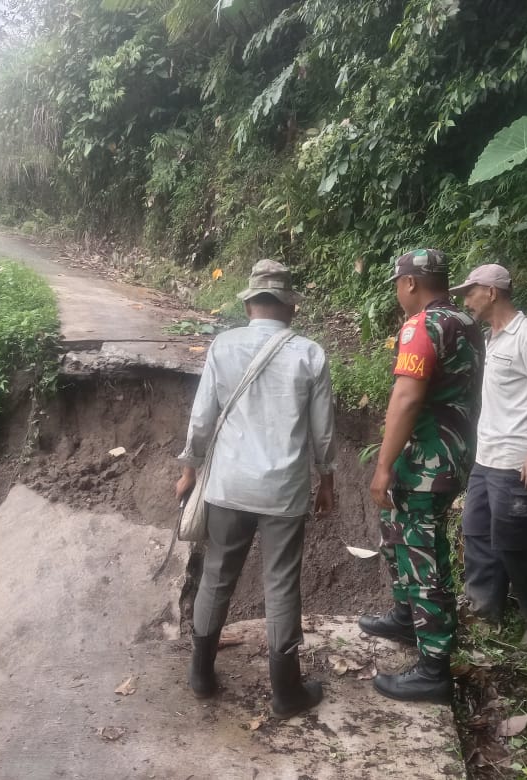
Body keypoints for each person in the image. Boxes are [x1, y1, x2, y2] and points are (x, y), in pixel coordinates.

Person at [175, 258, 336, 719]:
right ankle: (286, 692)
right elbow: (322, 431)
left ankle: (201, 675)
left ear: (249, 303)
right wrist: (327, 479)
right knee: (281, 584)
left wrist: (189, 469)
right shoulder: (310, 354)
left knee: (218, 575)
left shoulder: (223, 346)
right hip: (284, 490)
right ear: (291, 308)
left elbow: (202, 417)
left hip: (227, 485)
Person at [359, 248, 484, 704]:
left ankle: (434, 670)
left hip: (427, 462)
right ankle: (404, 617)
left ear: (411, 283)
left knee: (423, 553)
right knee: (398, 534)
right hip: (452, 454)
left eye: (397, 284)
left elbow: (407, 399)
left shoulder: (421, 326)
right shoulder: (468, 322)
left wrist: (383, 465)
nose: (397, 293)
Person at [449, 263, 527, 647]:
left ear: (492, 292)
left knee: (516, 543)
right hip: (487, 458)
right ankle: (485, 610)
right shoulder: (492, 337)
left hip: (515, 460)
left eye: (470, 292)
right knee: (476, 531)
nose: (466, 300)